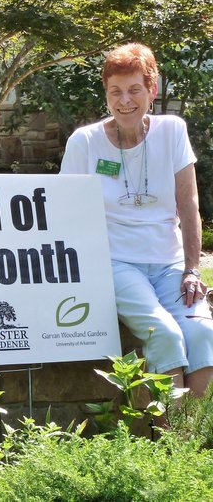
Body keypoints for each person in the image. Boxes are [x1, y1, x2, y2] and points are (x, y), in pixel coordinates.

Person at [60, 42, 212, 395]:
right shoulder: (85, 142)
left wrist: (192, 269)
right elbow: (64, 211)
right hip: (115, 263)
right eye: (115, 91)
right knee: (165, 332)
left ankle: (188, 439)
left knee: (202, 332)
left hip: (170, 263)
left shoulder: (172, 131)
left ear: (151, 90)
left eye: (134, 90)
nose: (124, 100)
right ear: (106, 92)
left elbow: (188, 204)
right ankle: (170, 442)